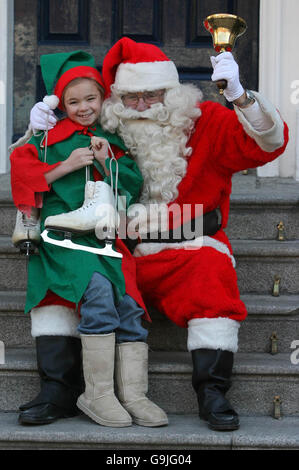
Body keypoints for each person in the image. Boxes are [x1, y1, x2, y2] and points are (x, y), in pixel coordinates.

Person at [29, 38, 289, 431]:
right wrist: (36, 132)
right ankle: (58, 390)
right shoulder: (99, 126)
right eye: (130, 97)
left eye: (151, 95)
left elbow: (269, 145)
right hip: (110, 248)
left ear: (173, 93)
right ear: (115, 99)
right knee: (59, 269)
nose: (140, 105)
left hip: (185, 245)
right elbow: (33, 166)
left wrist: (240, 96)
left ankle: (212, 391)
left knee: (210, 271)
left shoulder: (207, 122)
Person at [10, 50, 168, 428]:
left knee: (128, 303)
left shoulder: (110, 139)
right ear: (61, 105)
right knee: (97, 292)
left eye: (91, 99)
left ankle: (133, 394)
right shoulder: (48, 140)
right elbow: (21, 172)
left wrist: (104, 161)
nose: (83, 108)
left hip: (106, 238)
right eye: (73, 101)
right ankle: (96, 393)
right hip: (63, 237)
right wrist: (65, 165)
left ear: (103, 98)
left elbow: (132, 185)